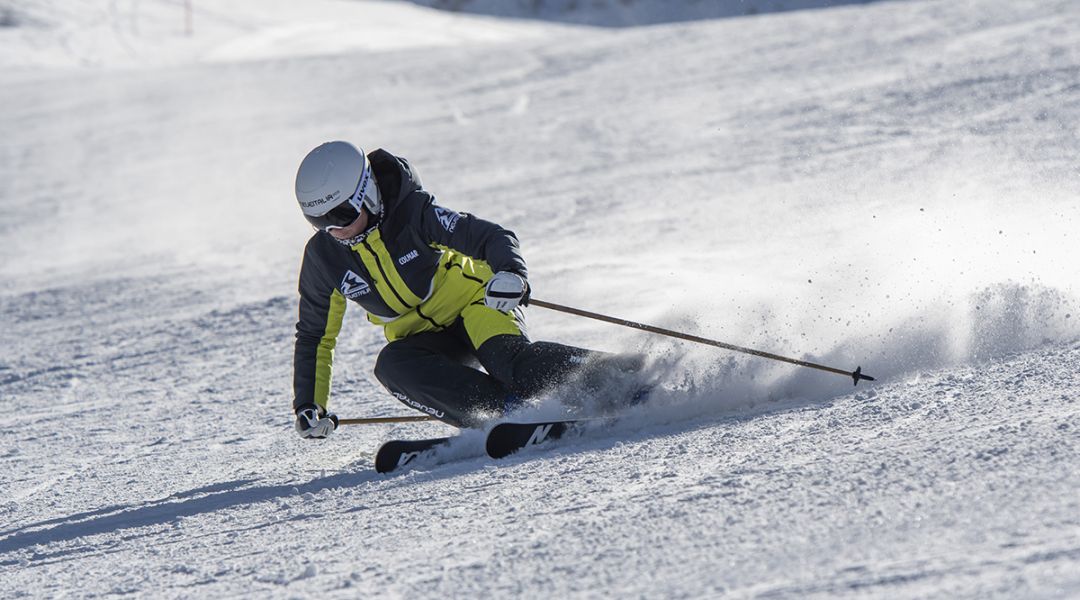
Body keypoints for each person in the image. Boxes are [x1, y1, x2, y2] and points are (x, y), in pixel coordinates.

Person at [292, 141, 641, 439]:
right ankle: (509, 414)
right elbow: (315, 337)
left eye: (342, 213)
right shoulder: (324, 259)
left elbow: (490, 236)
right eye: (320, 221)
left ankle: (625, 379)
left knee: (510, 362)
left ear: (367, 194)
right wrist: (309, 404)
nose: (335, 229)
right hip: (423, 338)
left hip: (475, 305)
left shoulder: (412, 213)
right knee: (392, 366)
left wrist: (511, 273)